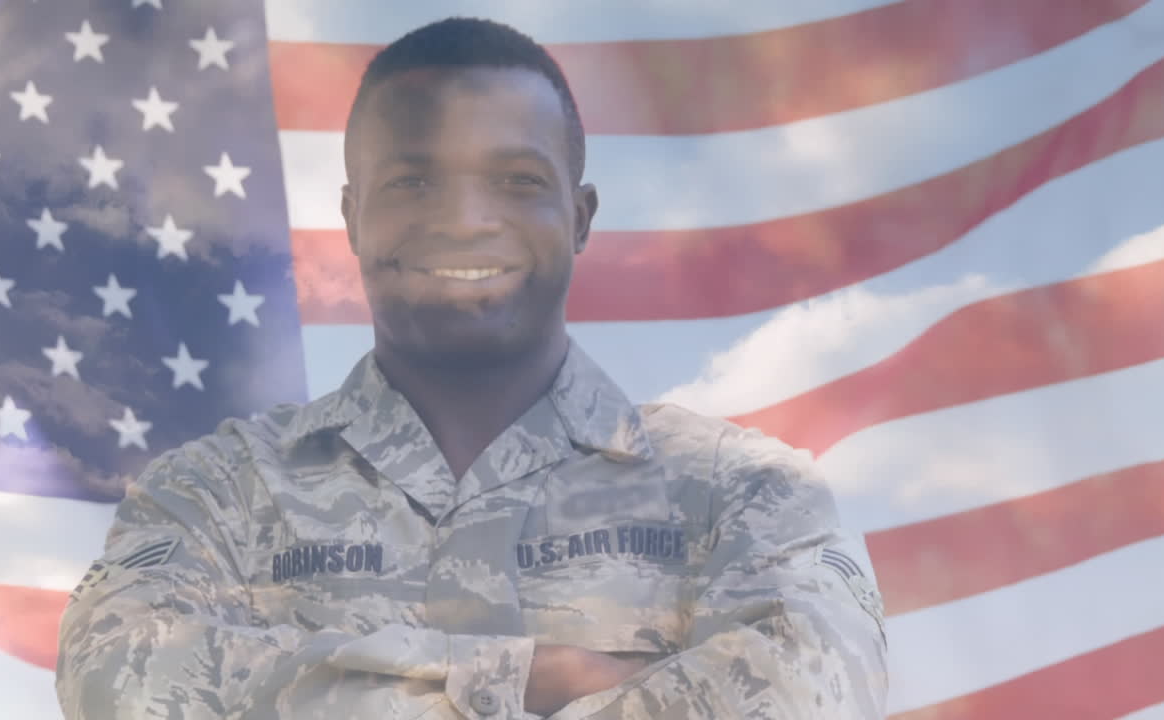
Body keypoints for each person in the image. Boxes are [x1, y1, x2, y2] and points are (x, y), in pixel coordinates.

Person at [56, 16, 888, 720]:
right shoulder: (213, 493)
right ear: (351, 215)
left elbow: (814, 690)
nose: (463, 221)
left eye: (517, 180)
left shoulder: (746, 492)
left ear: (581, 214)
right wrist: (521, 680)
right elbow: (118, 675)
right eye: (413, 181)